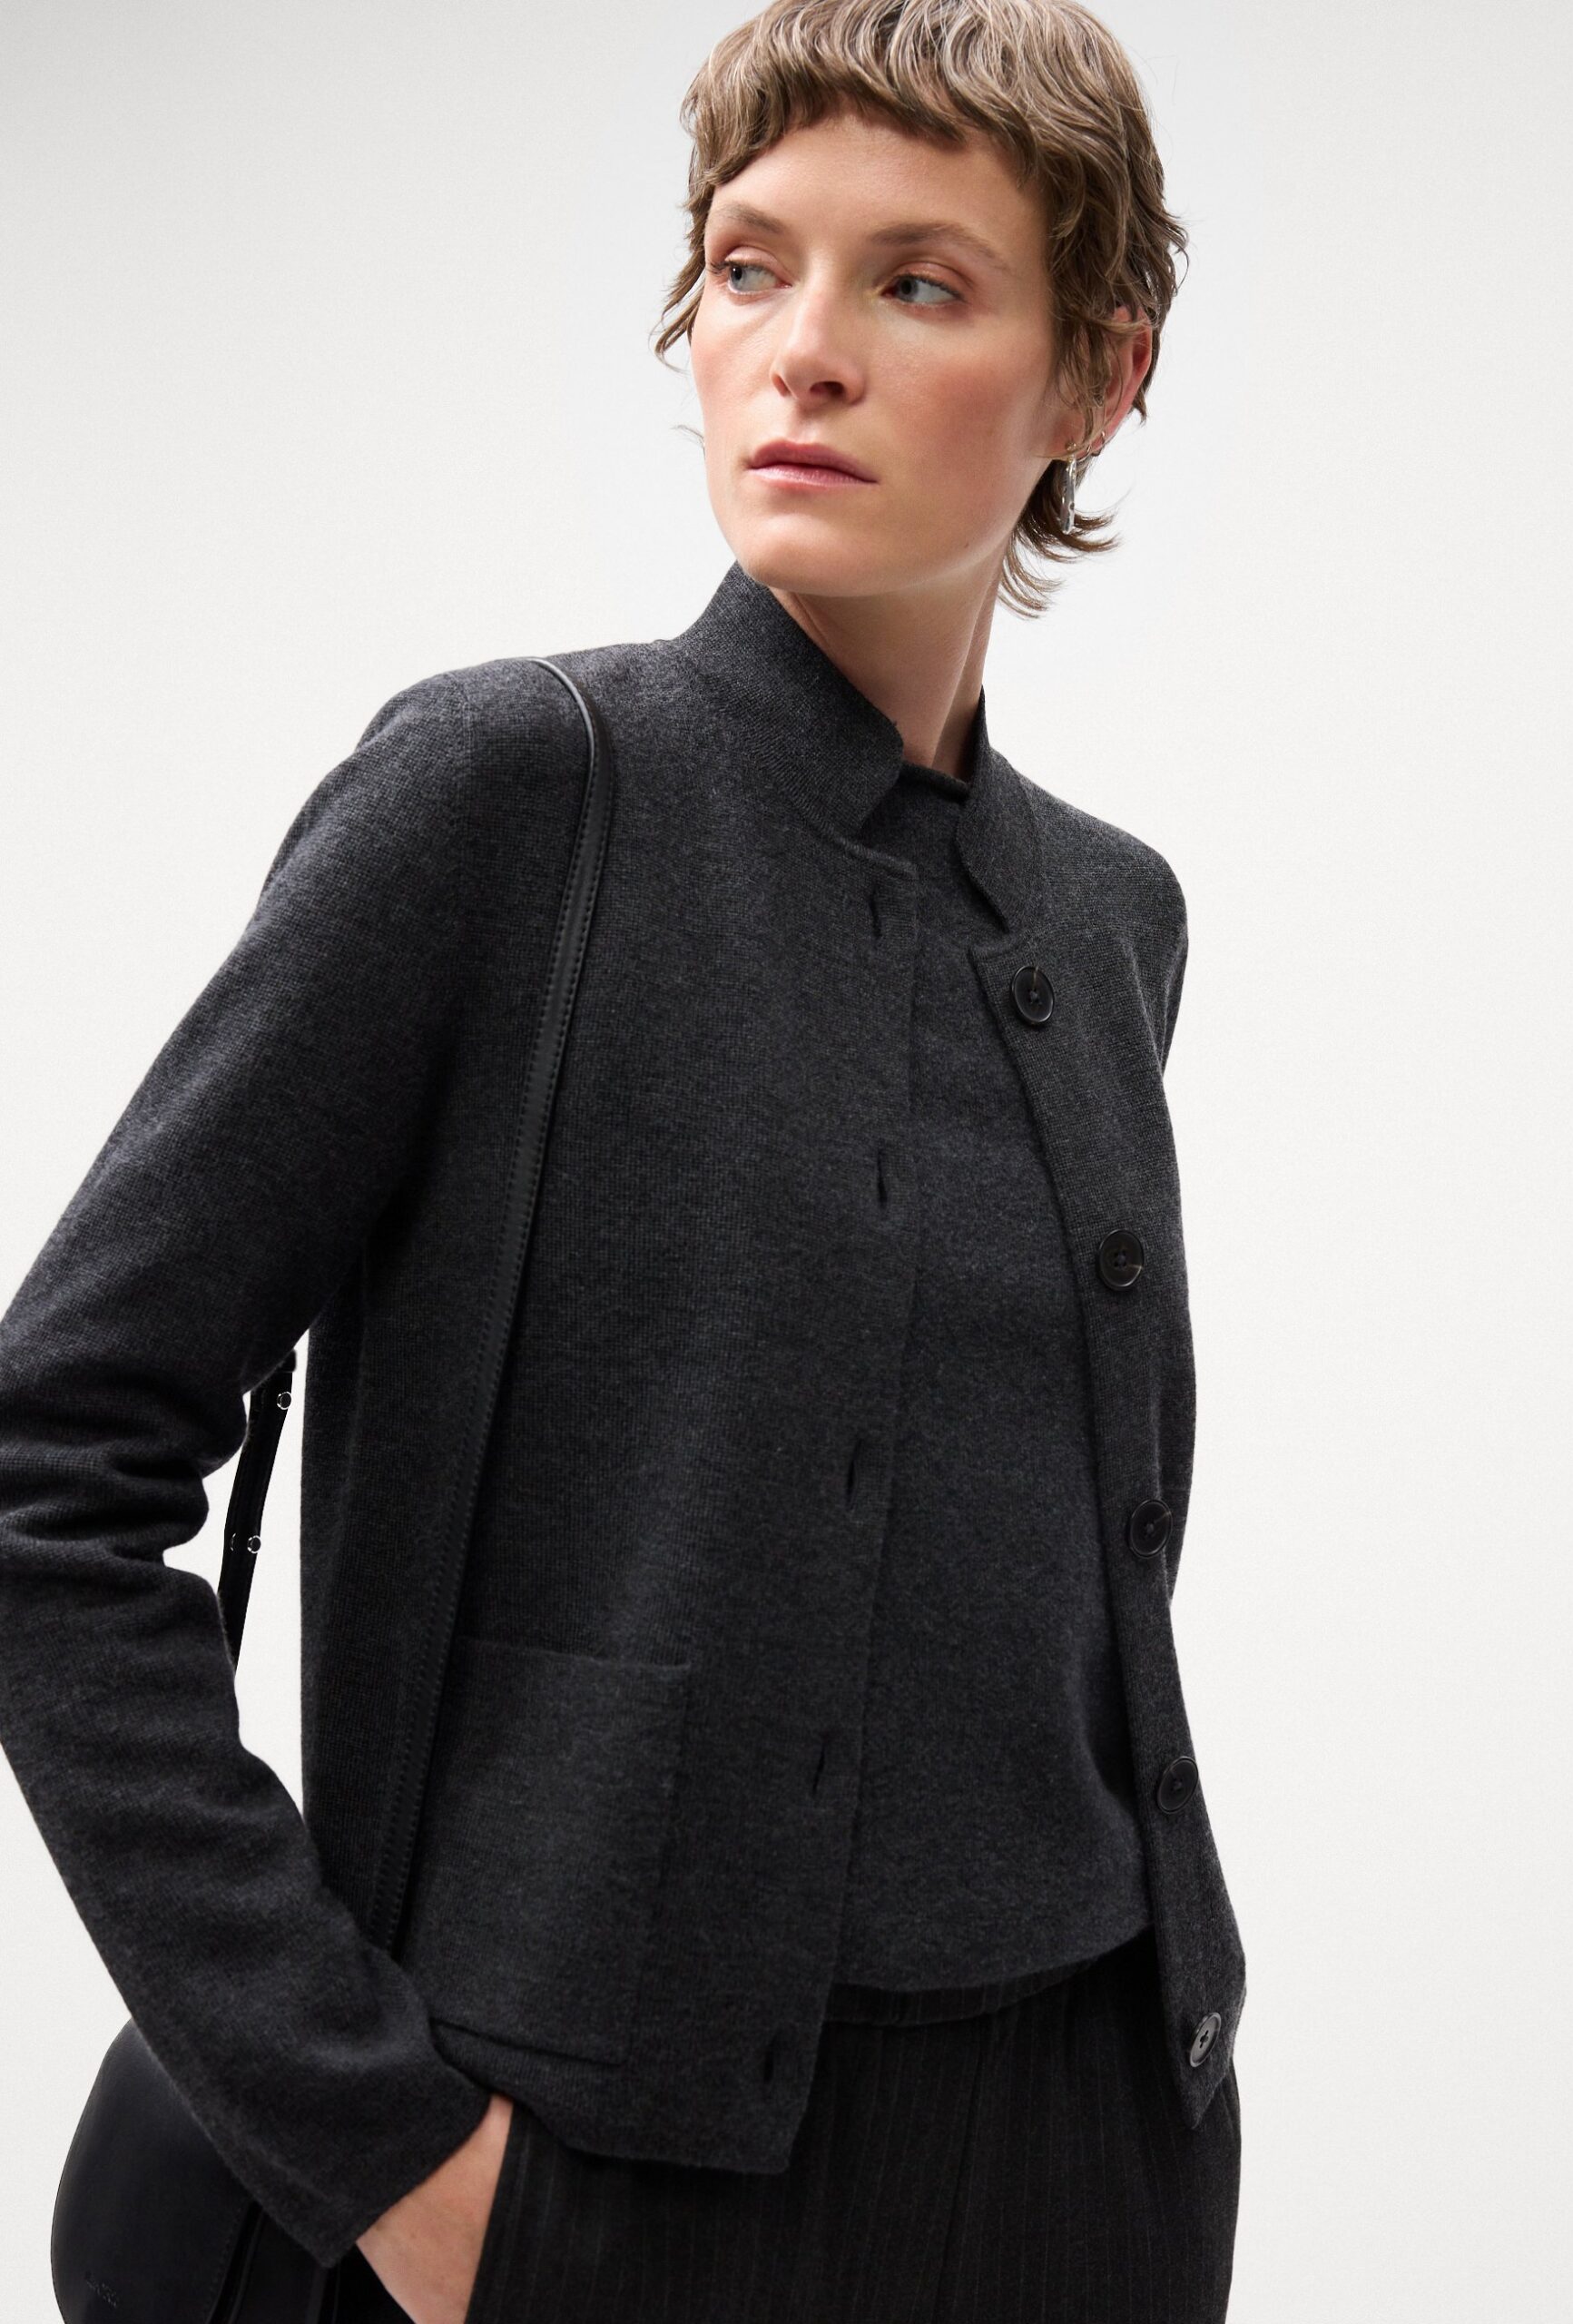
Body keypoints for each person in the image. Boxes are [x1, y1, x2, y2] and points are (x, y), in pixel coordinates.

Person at [0, 3, 1246, 2320]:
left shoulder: (1107, 918)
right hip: (587, 2170)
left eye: (917, 281)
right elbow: (46, 1466)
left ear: (1099, 375)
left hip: (1094, 2147)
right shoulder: (507, 799)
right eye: (749, 264)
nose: (802, 348)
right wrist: (387, 2147)